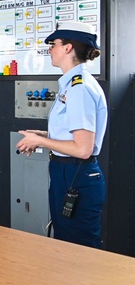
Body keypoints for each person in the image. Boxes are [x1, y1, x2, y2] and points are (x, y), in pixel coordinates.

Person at [16, 22, 107, 249]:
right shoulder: (71, 85)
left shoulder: (80, 88)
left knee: (77, 248)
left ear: (67, 48)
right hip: (65, 170)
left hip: (76, 172)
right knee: (65, 243)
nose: (50, 49)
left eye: (53, 44)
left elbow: (83, 148)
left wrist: (40, 141)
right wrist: (45, 134)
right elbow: (75, 132)